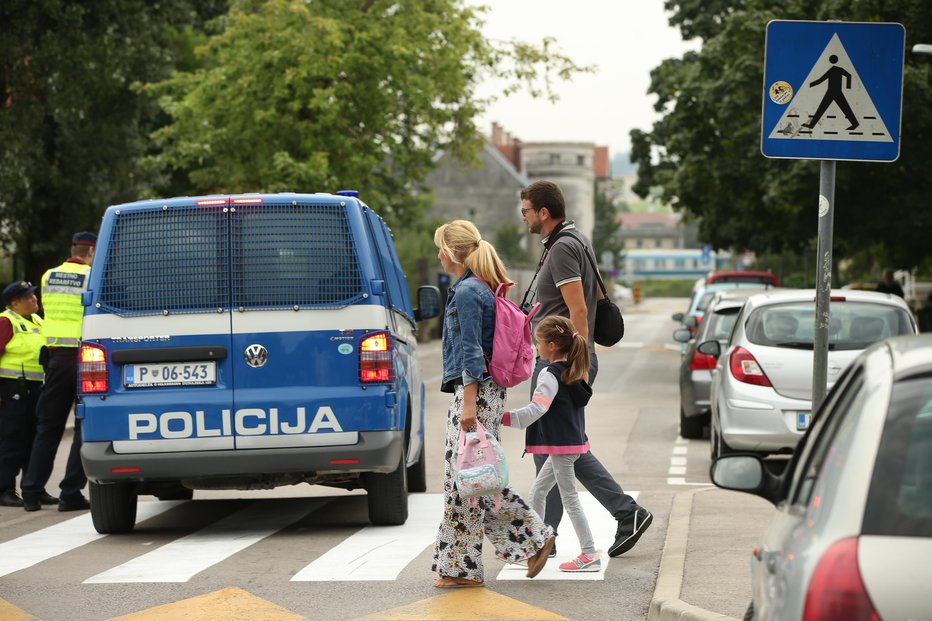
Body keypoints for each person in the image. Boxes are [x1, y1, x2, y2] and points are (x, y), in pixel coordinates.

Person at [520, 180, 652, 558]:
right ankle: (555, 532)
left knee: (557, 444)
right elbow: (595, 296)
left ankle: (551, 534)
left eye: (527, 210)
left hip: (561, 360)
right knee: (560, 445)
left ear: (544, 212)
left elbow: (579, 309)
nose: (524, 217)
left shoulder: (562, 248)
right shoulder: (576, 239)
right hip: (564, 357)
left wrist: (572, 364)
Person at [431, 220, 555, 588]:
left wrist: (468, 405)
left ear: (454, 251)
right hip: (480, 394)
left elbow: (472, 351)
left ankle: (522, 541)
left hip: (476, 395)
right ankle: (463, 566)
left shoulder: (469, 291)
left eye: (441, 247)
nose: (438, 254)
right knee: (471, 479)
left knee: (470, 477)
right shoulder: (477, 287)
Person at [503, 316, 601, 572]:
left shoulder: (549, 374)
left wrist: (502, 418)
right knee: (538, 492)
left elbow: (537, 409)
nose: (537, 348)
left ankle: (589, 553)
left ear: (552, 345)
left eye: (538, 342)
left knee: (570, 499)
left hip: (561, 447)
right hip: (571, 444)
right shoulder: (574, 370)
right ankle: (535, 546)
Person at [22, 231, 96, 512]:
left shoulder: (48, 275)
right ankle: (70, 493)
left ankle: (31, 491)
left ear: (72, 249)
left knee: (48, 427)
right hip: (84, 357)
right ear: (90, 252)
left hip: (55, 359)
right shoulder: (92, 276)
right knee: (82, 427)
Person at [0, 281, 56, 508]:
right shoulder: (6, 321)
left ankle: (34, 487)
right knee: (12, 439)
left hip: (35, 388)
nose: (35, 299)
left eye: (34, 295)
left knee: (34, 439)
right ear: (14, 303)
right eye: (28, 297)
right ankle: (4, 489)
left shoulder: (38, 321)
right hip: (12, 388)